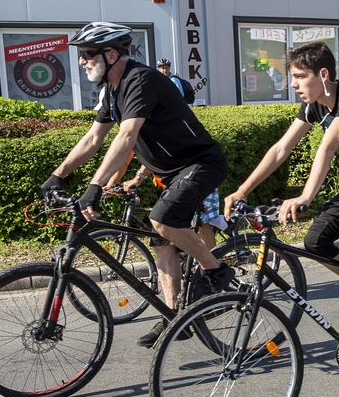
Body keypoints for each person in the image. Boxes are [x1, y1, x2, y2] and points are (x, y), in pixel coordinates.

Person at [222, 42, 339, 392]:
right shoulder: (313, 107)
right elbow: (281, 148)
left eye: (299, 77)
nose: (294, 83)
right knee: (315, 241)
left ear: (323, 75)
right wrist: (242, 190)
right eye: (292, 77)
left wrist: (306, 196)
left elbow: (330, 143)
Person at [43, 22, 233, 347]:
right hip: (174, 172)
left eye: (88, 54)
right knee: (160, 241)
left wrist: (95, 186)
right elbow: (93, 138)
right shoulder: (113, 92)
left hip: (200, 164)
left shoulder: (140, 80)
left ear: (111, 54)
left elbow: (127, 136)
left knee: (161, 219)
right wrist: (57, 176)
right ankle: (174, 317)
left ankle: (216, 272)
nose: (81, 61)